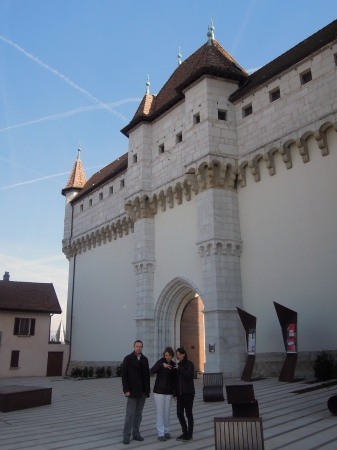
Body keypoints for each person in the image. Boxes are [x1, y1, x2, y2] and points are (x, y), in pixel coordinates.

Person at [121, 340, 150, 445]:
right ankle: (126, 435)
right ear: (134, 347)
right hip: (132, 391)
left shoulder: (145, 359)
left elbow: (147, 376)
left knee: (138, 413)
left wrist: (147, 390)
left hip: (142, 391)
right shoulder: (128, 359)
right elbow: (124, 376)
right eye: (137, 346)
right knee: (130, 414)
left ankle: (136, 433)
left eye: (140, 346)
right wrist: (126, 390)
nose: (139, 348)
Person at [151, 346, 176, 442]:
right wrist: (162, 365)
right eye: (166, 355)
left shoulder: (173, 365)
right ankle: (160, 433)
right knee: (160, 412)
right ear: (164, 355)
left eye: (169, 355)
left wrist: (175, 393)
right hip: (159, 391)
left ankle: (166, 431)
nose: (168, 357)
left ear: (172, 356)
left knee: (167, 412)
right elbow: (152, 371)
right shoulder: (160, 362)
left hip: (169, 392)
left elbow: (174, 380)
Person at [173, 347, 195, 442]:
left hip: (188, 392)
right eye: (177, 354)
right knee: (179, 413)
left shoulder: (189, 364)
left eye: (180, 354)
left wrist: (180, 368)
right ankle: (184, 432)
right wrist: (175, 393)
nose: (178, 356)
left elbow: (189, 375)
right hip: (180, 393)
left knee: (188, 413)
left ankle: (189, 433)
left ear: (184, 354)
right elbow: (175, 380)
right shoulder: (177, 365)